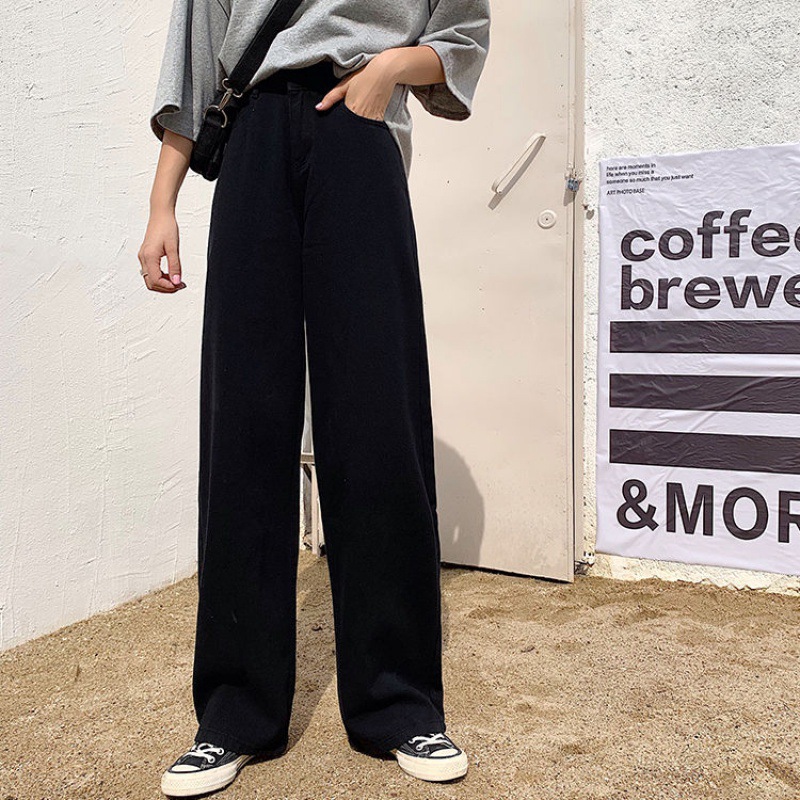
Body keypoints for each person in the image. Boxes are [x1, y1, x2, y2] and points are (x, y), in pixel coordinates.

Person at [139, 0, 490, 795]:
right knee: (243, 418)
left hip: (358, 130)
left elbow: (463, 34)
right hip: (254, 134)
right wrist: (161, 206)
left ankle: (399, 703)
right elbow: (195, 59)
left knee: (377, 413)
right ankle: (233, 712)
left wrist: (390, 69)